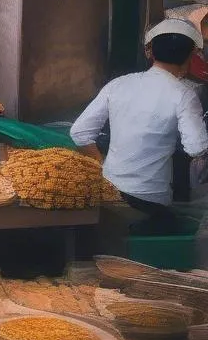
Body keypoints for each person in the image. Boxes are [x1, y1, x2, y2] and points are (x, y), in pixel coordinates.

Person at [70, 18, 208, 232]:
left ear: (150, 52)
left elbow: (79, 133)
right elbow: (196, 147)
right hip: (151, 199)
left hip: (110, 191)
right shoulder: (183, 95)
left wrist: (103, 163)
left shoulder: (119, 84)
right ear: (190, 57)